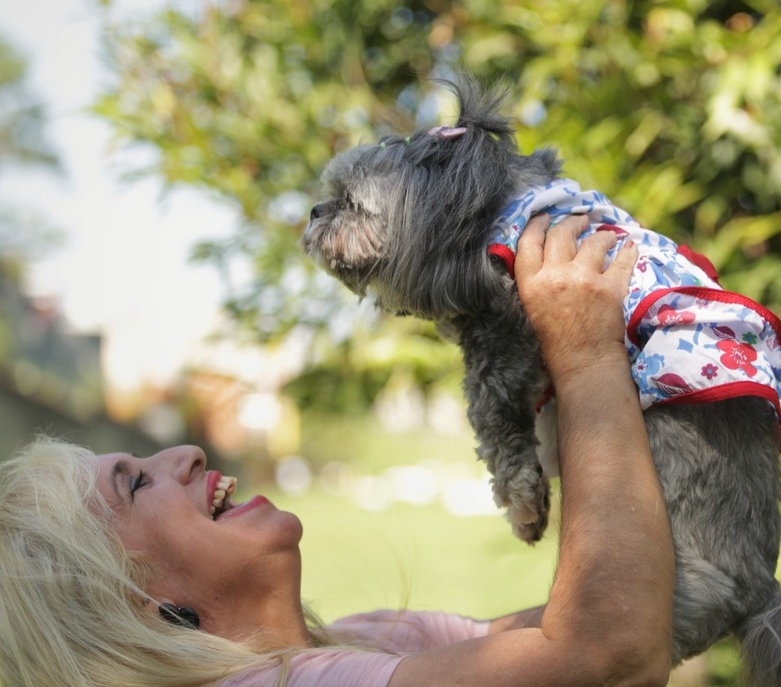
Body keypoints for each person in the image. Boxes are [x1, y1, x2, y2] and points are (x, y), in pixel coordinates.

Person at [0, 215, 676, 687]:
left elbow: (618, 615)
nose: (185, 454)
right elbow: (608, 655)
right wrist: (585, 352)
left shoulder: (362, 641)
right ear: (139, 607)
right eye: (137, 486)